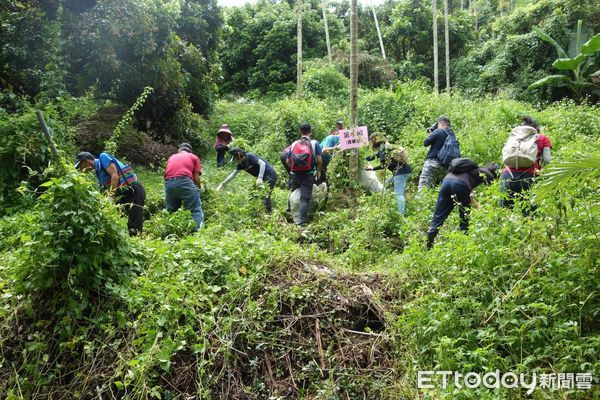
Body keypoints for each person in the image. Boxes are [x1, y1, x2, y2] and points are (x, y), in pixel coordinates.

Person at [426, 160, 499, 249]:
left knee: (439, 215)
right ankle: (464, 245)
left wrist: (479, 207)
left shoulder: (470, 170)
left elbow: (470, 195)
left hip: (446, 181)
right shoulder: (489, 175)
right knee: (464, 216)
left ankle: (429, 244)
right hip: (460, 184)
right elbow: (495, 195)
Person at [75, 151, 146, 236]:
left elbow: (114, 176)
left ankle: (137, 245)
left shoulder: (103, 157)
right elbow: (104, 189)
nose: (81, 169)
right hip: (125, 194)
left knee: (135, 223)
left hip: (134, 191)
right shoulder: (98, 171)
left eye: (80, 166)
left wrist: (110, 196)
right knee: (121, 220)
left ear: (86, 161)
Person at [500, 116, 552, 209]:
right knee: (529, 211)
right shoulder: (543, 138)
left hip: (507, 175)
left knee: (504, 210)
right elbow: (547, 160)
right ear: (536, 129)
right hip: (529, 176)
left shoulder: (514, 137)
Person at [216, 148, 278, 212]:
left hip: (270, 175)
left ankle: (269, 214)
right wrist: (222, 184)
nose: (234, 160)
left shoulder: (250, 156)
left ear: (238, 154)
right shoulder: (241, 164)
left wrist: (260, 177)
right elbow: (233, 175)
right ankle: (258, 213)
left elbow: (262, 164)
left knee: (265, 195)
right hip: (261, 178)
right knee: (254, 195)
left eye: (234, 158)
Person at [365, 133, 412, 215]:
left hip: (400, 173)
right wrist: (362, 159)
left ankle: (401, 215)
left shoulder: (383, 148)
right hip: (403, 171)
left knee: (399, 194)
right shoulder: (385, 146)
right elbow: (372, 157)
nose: (371, 143)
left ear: (376, 140)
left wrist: (372, 168)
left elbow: (383, 165)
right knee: (386, 185)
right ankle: (390, 206)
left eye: (372, 140)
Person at [286, 122, 323, 226]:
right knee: (304, 198)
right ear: (311, 132)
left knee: (293, 192)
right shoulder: (315, 143)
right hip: (308, 174)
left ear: (299, 132)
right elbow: (320, 160)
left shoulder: (294, 144)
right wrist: (318, 171)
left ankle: (289, 211)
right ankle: (302, 221)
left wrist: (293, 169)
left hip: (295, 174)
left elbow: (288, 161)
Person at [164, 143, 204, 231]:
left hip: (169, 183)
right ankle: (198, 233)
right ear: (190, 151)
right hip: (184, 180)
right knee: (195, 209)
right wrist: (200, 189)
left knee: (171, 211)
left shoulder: (172, 157)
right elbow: (196, 179)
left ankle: (170, 232)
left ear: (179, 150)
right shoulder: (194, 157)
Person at [418, 115, 454, 191]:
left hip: (432, 164)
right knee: (443, 190)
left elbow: (425, 143)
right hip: (445, 166)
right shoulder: (452, 135)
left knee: (423, 188)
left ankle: (420, 202)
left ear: (442, 123)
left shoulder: (438, 131)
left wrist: (432, 133)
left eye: (438, 124)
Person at [319, 120, 343, 184]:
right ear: (334, 132)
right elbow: (324, 151)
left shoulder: (344, 140)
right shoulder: (331, 138)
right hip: (320, 161)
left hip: (329, 162)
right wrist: (336, 148)